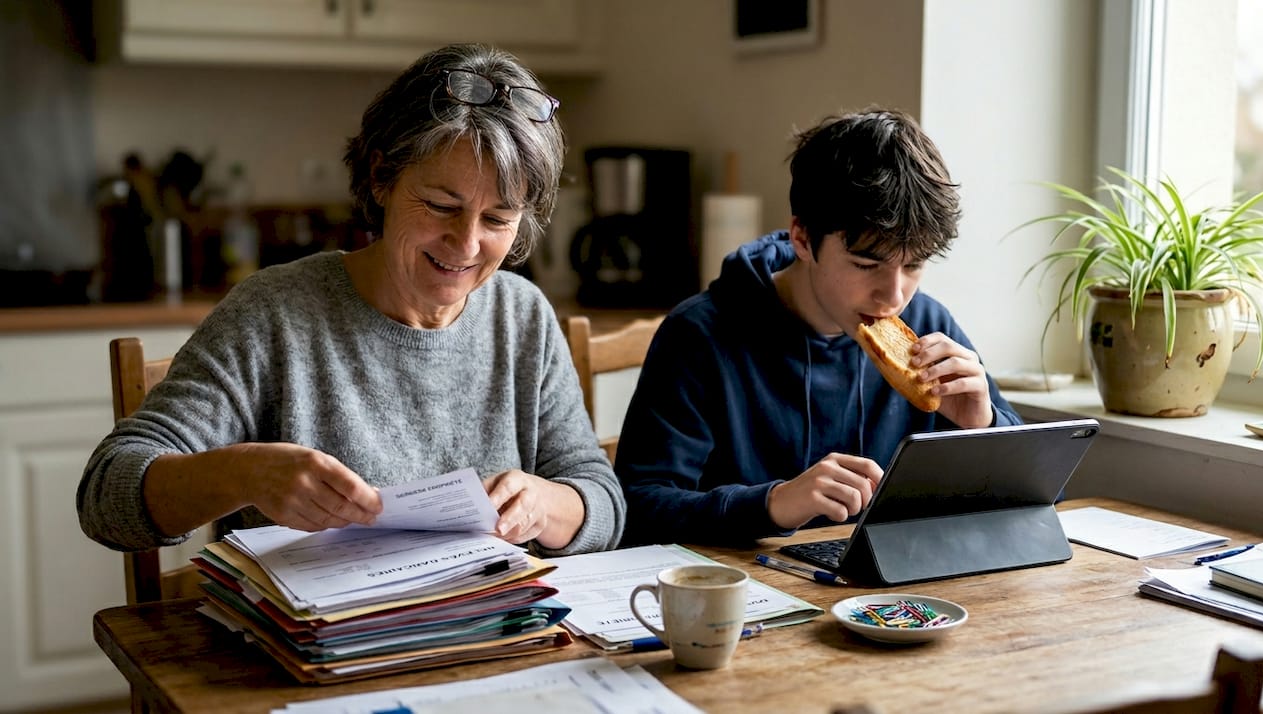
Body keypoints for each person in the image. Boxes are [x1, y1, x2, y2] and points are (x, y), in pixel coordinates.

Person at [78, 43, 624, 557]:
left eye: (499, 219)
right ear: (380, 176)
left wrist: (544, 506)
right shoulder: (273, 315)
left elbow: (601, 500)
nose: (466, 244)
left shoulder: (522, 315)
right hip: (311, 649)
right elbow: (106, 496)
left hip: (486, 640)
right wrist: (244, 475)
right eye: (439, 206)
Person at [615, 108, 1021, 546]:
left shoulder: (927, 324)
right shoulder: (700, 335)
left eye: (914, 265)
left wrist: (984, 425)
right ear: (803, 238)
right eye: (867, 264)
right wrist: (772, 503)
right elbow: (637, 508)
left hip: (892, 592)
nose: (895, 296)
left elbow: (1042, 497)